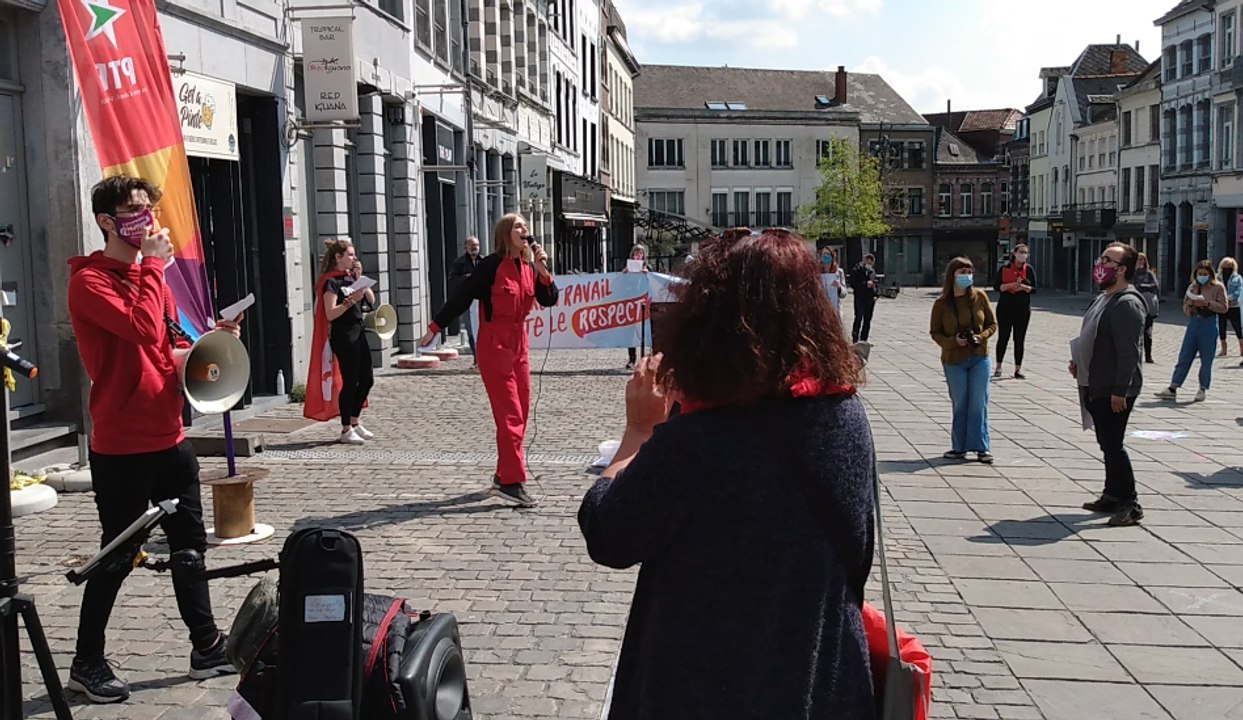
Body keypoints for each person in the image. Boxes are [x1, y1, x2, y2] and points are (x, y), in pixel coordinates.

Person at [578, 229, 874, 719]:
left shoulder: (698, 439)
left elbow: (609, 533)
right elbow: (856, 554)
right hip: (821, 677)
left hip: (705, 684)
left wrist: (637, 433)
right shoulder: (845, 414)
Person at [66, 175, 241, 702]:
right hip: (121, 443)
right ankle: (86, 663)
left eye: (148, 207)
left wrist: (213, 345)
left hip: (170, 434)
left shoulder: (151, 278)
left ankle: (206, 645)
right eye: (133, 210)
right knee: (118, 554)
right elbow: (140, 329)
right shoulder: (90, 281)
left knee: (190, 547)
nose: (145, 218)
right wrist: (151, 266)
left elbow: (167, 347)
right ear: (106, 221)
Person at [420, 214, 559, 507]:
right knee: (509, 414)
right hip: (494, 343)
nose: (524, 230)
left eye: (525, 226)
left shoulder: (527, 266)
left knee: (521, 411)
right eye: (518, 226)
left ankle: (502, 474)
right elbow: (462, 296)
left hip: (519, 343)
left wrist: (542, 268)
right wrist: (435, 327)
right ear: (505, 234)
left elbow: (549, 299)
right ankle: (512, 481)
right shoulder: (491, 265)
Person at [1071, 242, 1147, 527]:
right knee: (1106, 442)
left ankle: (1131, 503)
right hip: (1095, 380)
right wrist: (1079, 361)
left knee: (1114, 444)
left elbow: (1129, 352)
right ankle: (1112, 494)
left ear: (1123, 269)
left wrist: (1120, 391)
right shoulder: (1102, 298)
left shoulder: (1127, 302)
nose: (1101, 263)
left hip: (1115, 387)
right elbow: (1094, 338)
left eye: (1108, 260)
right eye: (1101, 257)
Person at [930, 257, 998, 464]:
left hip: (979, 357)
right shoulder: (941, 304)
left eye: (969, 272)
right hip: (954, 359)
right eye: (962, 273)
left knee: (979, 401)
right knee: (960, 402)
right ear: (952, 276)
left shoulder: (980, 297)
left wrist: (980, 337)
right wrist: (953, 342)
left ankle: (982, 447)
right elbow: (935, 333)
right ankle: (958, 447)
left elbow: (992, 324)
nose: (966, 276)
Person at [309, 239, 377, 444]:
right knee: (350, 380)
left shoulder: (350, 277)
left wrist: (360, 280)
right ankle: (346, 427)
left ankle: (356, 421)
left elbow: (372, 301)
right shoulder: (331, 281)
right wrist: (350, 301)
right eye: (350, 255)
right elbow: (330, 313)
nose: (354, 258)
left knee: (367, 378)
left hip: (358, 330)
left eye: (354, 255)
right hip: (343, 334)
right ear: (338, 258)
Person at [1155, 260, 1228, 403]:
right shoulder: (1193, 287)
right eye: (1199, 274)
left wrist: (1207, 303)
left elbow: (1224, 307)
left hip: (1209, 323)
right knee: (1185, 355)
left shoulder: (1217, 287)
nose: (1202, 276)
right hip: (1194, 323)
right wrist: (1189, 306)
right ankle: (1173, 387)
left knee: (1206, 359)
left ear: (1210, 274)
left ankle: (1203, 388)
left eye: (1205, 274)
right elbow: (1185, 308)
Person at [993, 244, 1036, 379]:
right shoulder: (1004, 268)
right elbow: (996, 286)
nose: (1023, 255)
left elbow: (1034, 289)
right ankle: (998, 366)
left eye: (1025, 253)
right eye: (1021, 252)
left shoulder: (1028, 269)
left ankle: (1018, 369)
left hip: (1022, 309)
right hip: (1005, 308)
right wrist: (1009, 286)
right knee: (1003, 337)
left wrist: (1024, 287)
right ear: (1014, 253)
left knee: (1019, 339)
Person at [448, 235, 482, 363]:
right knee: (471, 329)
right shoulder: (459, 263)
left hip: (482, 300)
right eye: (472, 246)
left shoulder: (483, 261)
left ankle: (483, 357)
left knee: (483, 329)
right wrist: (468, 278)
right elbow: (452, 281)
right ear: (465, 247)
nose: (474, 248)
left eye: (476, 246)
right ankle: (477, 358)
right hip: (467, 301)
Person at [623, 243, 650, 369]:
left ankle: (648, 358)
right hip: (632, 303)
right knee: (631, 332)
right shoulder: (628, 268)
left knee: (647, 330)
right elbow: (620, 283)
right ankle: (632, 358)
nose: (638, 255)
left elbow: (654, 281)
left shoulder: (648, 267)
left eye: (640, 253)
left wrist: (647, 273)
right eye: (636, 253)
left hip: (645, 303)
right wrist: (624, 274)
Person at [1133, 253, 1160, 364]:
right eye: (1138, 260)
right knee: (1135, 332)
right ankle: (1136, 355)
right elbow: (1132, 286)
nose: (1140, 262)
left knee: (1147, 332)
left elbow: (1155, 286)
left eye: (1142, 260)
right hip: (1136, 305)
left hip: (1148, 305)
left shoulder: (1149, 274)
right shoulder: (1132, 274)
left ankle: (1148, 356)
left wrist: (1142, 287)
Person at [848, 253, 879, 343]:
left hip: (870, 299)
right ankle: (855, 337)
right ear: (864, 261)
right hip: (860, 297)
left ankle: (864, 338)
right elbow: (853, 284)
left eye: (871, 263)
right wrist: (865, 284)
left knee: (867, 319)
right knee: (858, 317)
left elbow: (875, 284)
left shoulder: (872, 272)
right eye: (867, 262)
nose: (869, 265)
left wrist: (876, 294)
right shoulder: (857, 270)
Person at [1218, 256, 1243, 358]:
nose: (1227, 267)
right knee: (1221, 327)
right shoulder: (1217, 277)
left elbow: (1239, 291)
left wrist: (1229, 298)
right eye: (1226, 265)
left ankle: (1242, 349)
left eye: (1230, 265)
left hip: (1233, 306)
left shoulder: (1237, 278)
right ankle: (1224, 349)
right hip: (1222, 306)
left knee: (1238, 328)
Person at [819, 245, 846, 314]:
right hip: (820, 309)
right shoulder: (816, 271)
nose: (825, 256)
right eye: (824, 254)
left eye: (828, 254)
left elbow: (844, 294)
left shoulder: (839, 272)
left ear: (832, 256)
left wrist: (839, 287)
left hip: (835, 309)